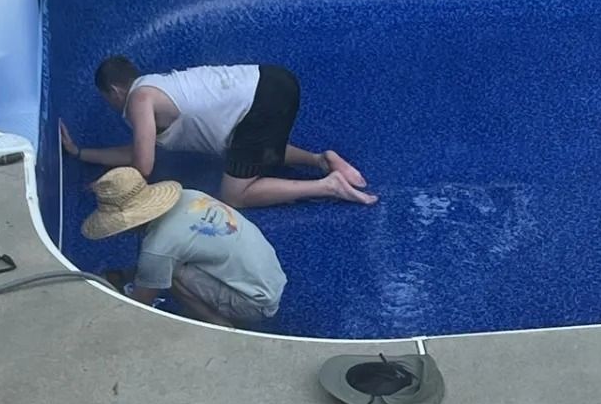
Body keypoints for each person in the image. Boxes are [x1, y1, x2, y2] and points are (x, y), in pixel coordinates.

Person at [60, 57, 376, 208]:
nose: (112, 106)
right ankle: (321, 160)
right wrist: (79, 152)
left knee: (233, 195)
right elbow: (135, 151)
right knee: (249, 148)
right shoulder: (157, 86)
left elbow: (143, 166)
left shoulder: (138, 99)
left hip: (257, 104)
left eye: (107, 100)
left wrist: (106, 188)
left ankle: (328, 185)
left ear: (115, 90)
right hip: (273, 81)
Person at [82, 166, 287, 328]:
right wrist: (124, 276)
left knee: (171, 275)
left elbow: (140, 304)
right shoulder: (190, 196)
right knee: (169, 262)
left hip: (254, 303)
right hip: (272, 278)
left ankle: (219, 326)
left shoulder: (158, 247)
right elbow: (173, 250)